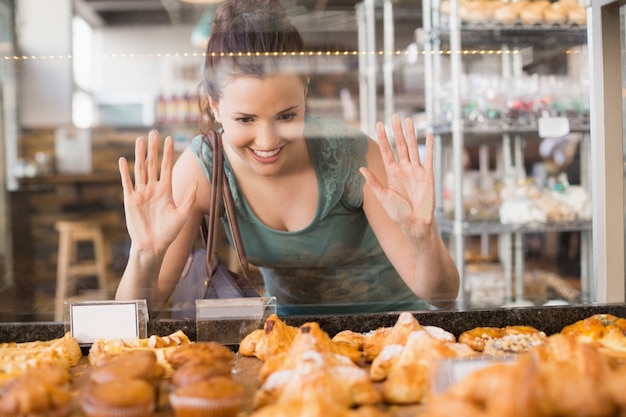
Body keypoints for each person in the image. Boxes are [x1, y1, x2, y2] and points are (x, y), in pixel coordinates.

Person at [115, 0, 459, 316]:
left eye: (287, 116)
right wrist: (144, 253)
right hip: (292, 343)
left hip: (394, 334)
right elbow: (140, 311)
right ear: (215, 107)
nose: (267, 141)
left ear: (305, 91)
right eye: (245, 119)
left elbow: (441, 296)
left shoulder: (353, 154)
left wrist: (423, 235)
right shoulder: (202, 169)